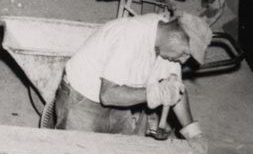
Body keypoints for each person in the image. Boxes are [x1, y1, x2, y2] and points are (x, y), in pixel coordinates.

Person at [49, 11, 211, 143]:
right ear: (175, 36)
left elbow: (176, 90)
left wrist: (193, 133)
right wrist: (156, 93)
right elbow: (108, 95)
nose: (183, 61)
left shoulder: (166, 44)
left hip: (120, 96)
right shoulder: (129, 38)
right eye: (184, 54)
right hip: (83, 96)